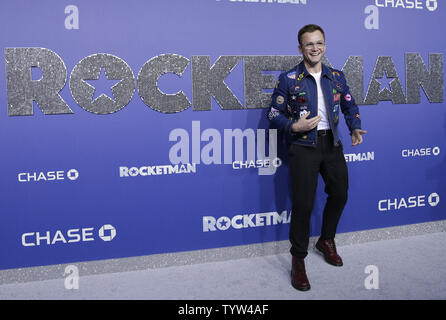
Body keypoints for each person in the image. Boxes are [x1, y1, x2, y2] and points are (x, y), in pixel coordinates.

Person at [268, 24, 366, 291]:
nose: (315, 48)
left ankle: (326, 240)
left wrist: (354, 126)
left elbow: (349, 103)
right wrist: (293, 127)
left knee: (340, 194)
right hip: (303, 146)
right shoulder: (288, 79)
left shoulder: (336, 75)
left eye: (319, 43)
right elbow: (273, 115)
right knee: (303, 204)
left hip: (331, 144)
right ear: (300, 48)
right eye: (309, 44)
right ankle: (298, 260)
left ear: (325, 45)